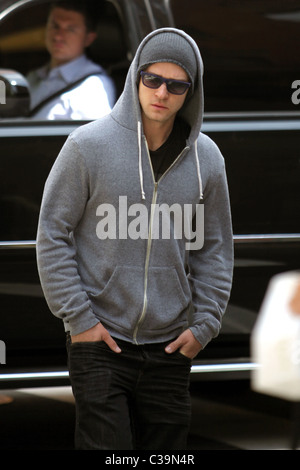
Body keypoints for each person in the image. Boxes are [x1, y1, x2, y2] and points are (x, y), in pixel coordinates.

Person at [36, 28, 233, 450]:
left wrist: (204, 326)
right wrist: (80, 321)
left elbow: (215, 248)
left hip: (171, 346)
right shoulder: (87, 147)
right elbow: (53, 234)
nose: (162, 92)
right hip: (101, 341)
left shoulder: (208, 159)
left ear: (190, 92)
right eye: (152, 79)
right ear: (135, 78)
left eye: (176, 85)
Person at [27, 1, 115, 120]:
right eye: (55, 26)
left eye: (70, 29)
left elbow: (95, 137)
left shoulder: (92, 87)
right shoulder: (33, 77)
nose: (58, 36)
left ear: (88, 39)